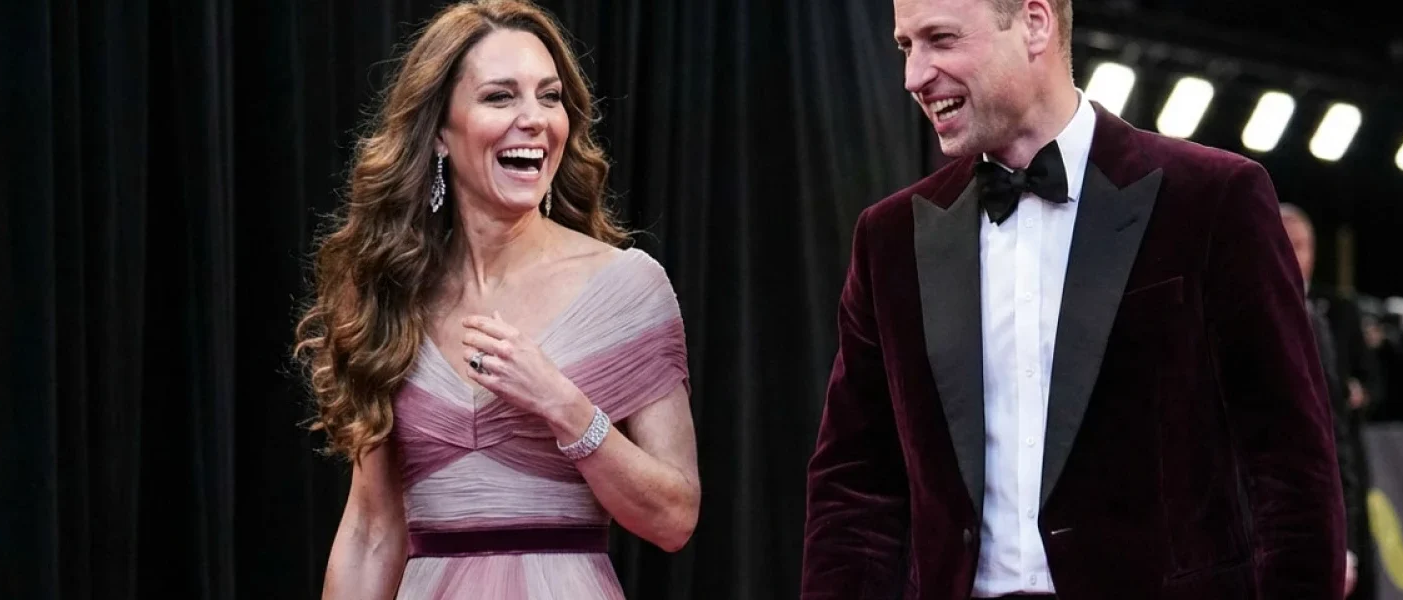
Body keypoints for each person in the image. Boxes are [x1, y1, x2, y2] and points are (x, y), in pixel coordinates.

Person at [800, 0, 1345, 598]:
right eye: (907, 46)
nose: (914, 75)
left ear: (1035, 23)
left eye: (941, 39)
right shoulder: (890, 238)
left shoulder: (1213, 200)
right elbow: (855, 486)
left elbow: (1292, 470)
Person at [293, 2, 699, 598]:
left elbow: (674, 518)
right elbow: (372, 531)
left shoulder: (628, 288)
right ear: (438, 132)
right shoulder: (391, 289)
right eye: (500, 97)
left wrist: (565, 408)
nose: (533, 119)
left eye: (550, 96)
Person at [1281, 203, 1376, 599]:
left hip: (1310, 508)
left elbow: (1335, 436)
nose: (1295, 256)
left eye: (1302, 245)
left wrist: (1347, 541)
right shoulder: (1219, 309)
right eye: (1288, 244)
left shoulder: (1322, 318)